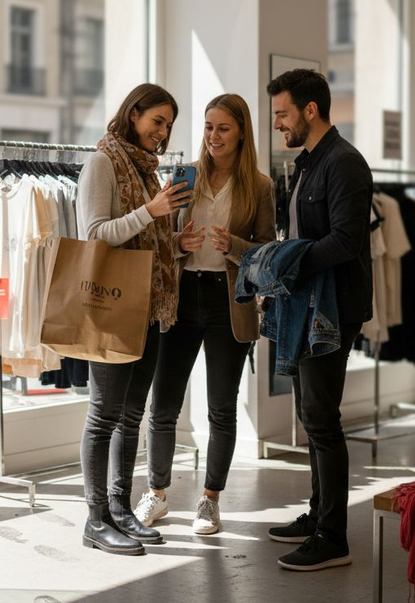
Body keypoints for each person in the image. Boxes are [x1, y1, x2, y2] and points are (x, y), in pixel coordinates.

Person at [133, 94, 276, 536]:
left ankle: (210, 500)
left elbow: (268, 252)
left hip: (227, 301)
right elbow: (162, 238)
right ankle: (156, 493)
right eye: (209, 127)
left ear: (241, 133)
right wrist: (179, 244)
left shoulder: (260, 186)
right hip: (182, 295)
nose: (213, 136)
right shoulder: (184, 177)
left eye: (223, 128)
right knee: (163, 405)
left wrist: (234, 246)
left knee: (221, 408)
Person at [76, 83, 192, 556]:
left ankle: (121, 510)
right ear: (133, 114)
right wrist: (152, 210)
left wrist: (177, 243)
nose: (162, 132)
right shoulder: (102, 163)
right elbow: (95, 236)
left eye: (168, 125)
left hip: (147, 307)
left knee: (130, 414)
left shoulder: (147, 170)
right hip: (112, 308)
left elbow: (146, 242)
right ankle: (95, 520)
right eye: (157, 121)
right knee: (103, 415)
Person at [263, 69, 372, 571]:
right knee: (312, 417)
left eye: (282, 113)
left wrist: (287, 262)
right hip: (307, 306)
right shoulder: (308, 163)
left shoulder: (344, 162)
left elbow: (347, 241)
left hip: (333, 309)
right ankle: (317, 516)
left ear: (311, 110)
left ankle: (333, 536)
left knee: (322, 420)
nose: (278, 124)